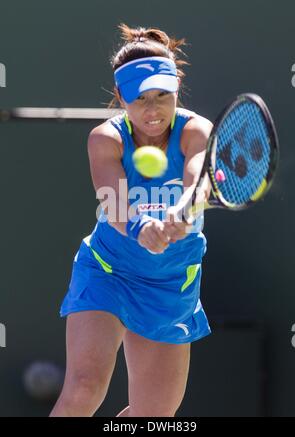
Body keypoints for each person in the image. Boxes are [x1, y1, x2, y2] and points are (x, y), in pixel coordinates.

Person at [50, 23, 213, 418]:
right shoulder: (105, 138)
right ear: (121, 97)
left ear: (177, 92)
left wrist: (184, 211)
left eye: (162, 96)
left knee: (154, 416)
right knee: (84, 389)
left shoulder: (196, 131)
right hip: (109, 270)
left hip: (171, 281)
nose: (153, 110)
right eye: (140, 99)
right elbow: (114, 200)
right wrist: (142, 228)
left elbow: (199, 181)